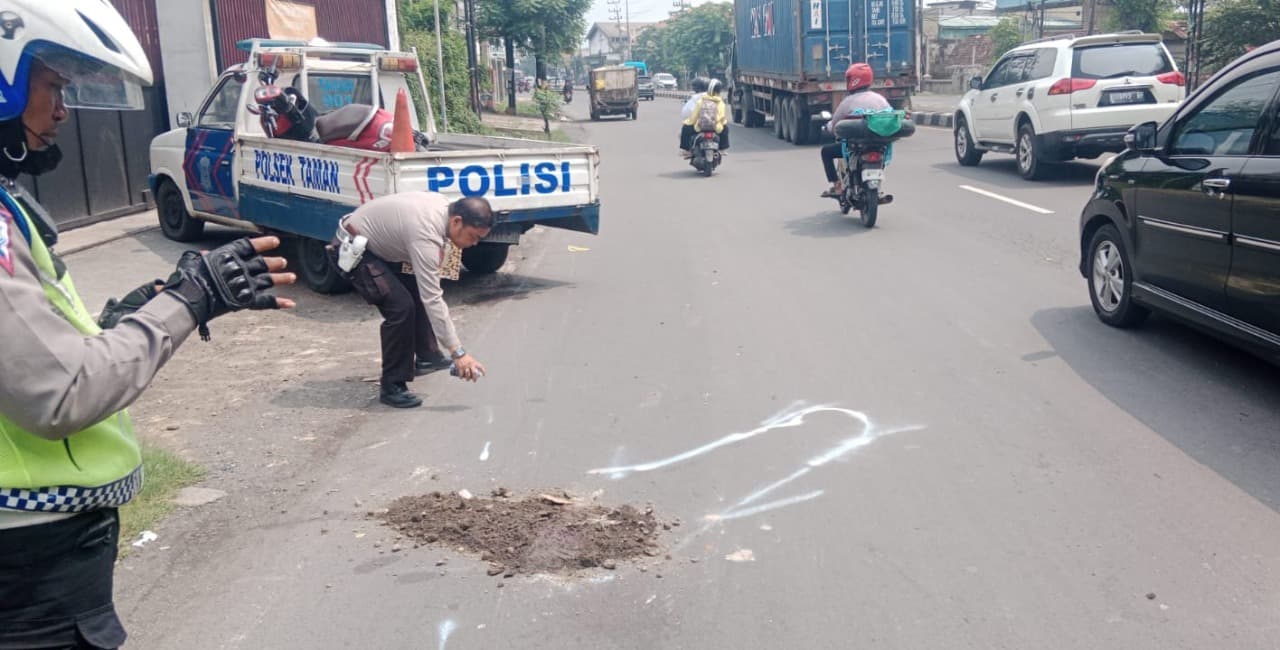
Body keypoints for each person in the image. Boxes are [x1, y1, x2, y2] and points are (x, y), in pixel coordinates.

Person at [0, 2, 296, 647]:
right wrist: (187, 298)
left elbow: (32, 346)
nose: (62, 112)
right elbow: (61, 393)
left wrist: (125, 318)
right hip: (28, 569)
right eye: (51, 87)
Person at [339, 192, 493, 408]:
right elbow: (433, 298)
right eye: (474, 236)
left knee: (416, 292)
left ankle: (427, 355)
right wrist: (458, 352)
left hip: (378, 245)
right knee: (401, 308)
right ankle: (392, 386)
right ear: (457, 221)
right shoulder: (426, 235)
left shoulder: (445, 208)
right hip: (353, 249)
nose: (475, 244)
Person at [820, 62, 892, 197]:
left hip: (856, 146)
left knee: (826, 152)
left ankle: (837, 186)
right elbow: (890, 115)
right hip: (878, 144)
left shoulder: (848, 101)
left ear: (853, 80)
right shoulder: (880, 99)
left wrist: (827, 127)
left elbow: (835, 123)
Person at [680, 78, 729, 158]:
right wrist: (722, 124)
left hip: (700, 127)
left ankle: (686, 151)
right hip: (716, 128)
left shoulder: (701, 100)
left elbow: (694, 116)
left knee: (685, 128)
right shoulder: (720, 102)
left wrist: (688, 122)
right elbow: (722, 116)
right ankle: (722, 149)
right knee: (726, 128)